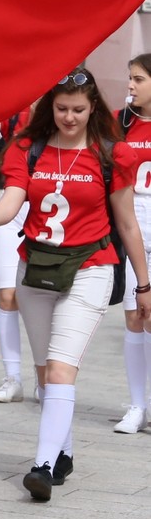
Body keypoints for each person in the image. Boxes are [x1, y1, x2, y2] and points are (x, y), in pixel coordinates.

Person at [0, 69, 151, 499]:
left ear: (93, 106)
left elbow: (128, 224)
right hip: (37, 268)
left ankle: (41, 466)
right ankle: (62, 452)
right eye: (61, 108)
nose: (69, 117)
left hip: (91, 267)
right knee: (45, 374)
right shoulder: (27, 148)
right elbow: (10, 203)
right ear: (50, 107)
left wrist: (144, 285)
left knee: (62, 367)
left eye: (78, 109)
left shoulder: (110, 153)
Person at [0, 101, 36, 403]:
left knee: (41, 298)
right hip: (9, 200)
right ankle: (12, 377)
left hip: (45, 205)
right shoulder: (14, 102)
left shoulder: (62, 103)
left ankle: (46, 375)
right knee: (8, 295)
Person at [116, 56, 151, 433]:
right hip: (132, 225)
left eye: (139, 79)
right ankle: (136, 405)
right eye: (130, 79)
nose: (130, 85)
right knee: (133, 316)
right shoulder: (121, 121)